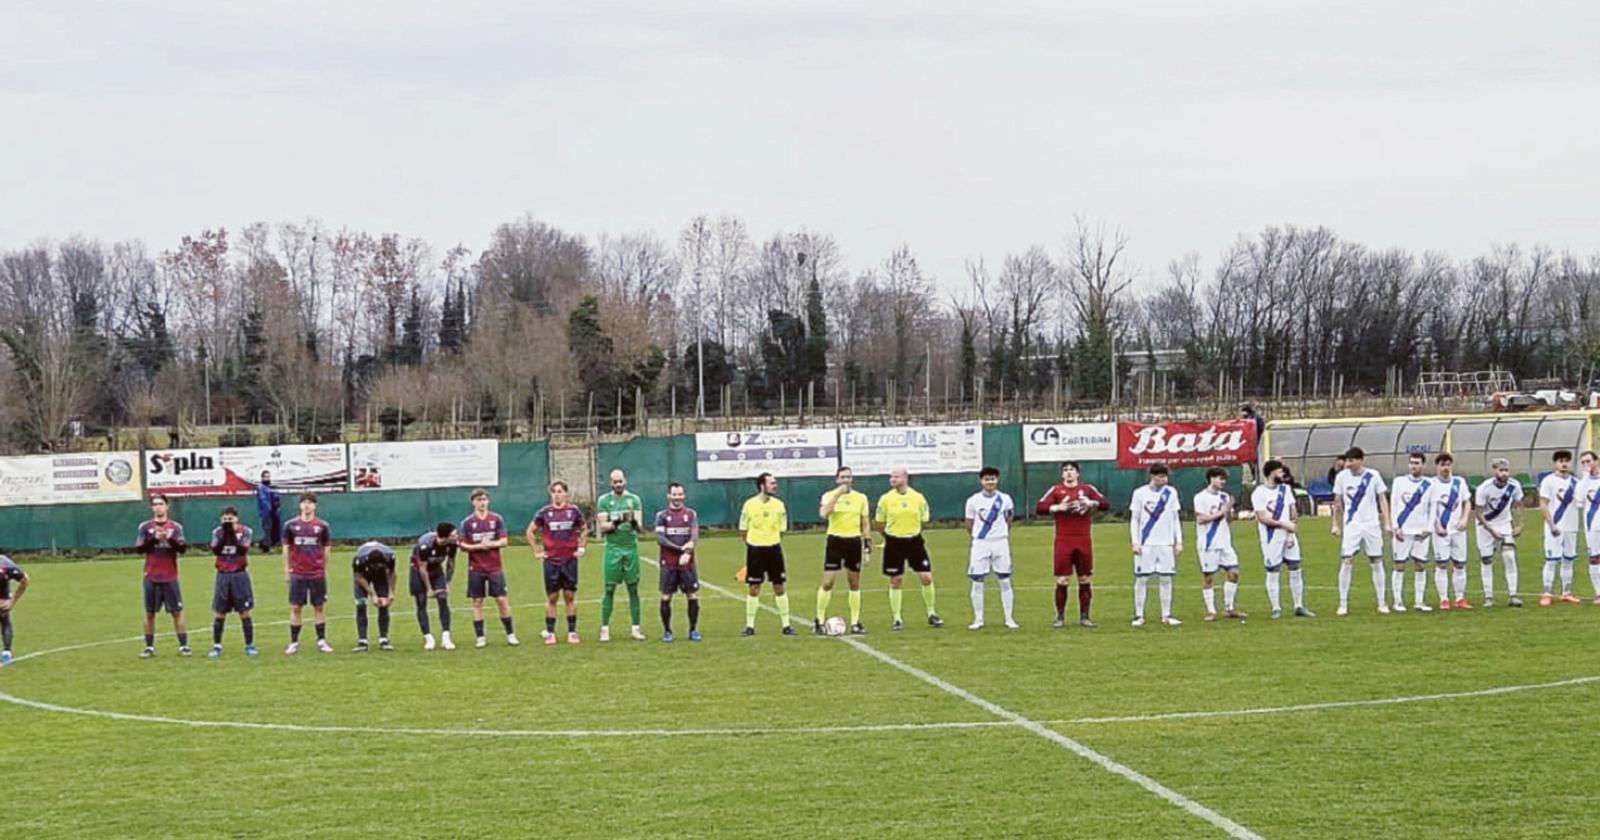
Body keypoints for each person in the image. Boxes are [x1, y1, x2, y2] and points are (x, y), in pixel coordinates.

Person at [1035, 461, 1109, 628]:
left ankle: (1085, 617)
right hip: (1063, 540)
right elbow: (1040, 507)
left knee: (1084, 578)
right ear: (1062, 475)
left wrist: (1091, 503)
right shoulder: (1056, 490)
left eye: (1072, 470)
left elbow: (1105, 504)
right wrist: (1058, 507)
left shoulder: (1087, 489)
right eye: (1066, 470)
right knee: (1062, 579)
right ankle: (1060, 617)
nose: (1069, 473)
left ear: (1078, 474)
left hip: (1083, 539)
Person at [874, 467, 942, 631]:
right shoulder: (885, 499)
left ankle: (932, 613)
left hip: (914, 542)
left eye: (896, 476)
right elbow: (879, 522)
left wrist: (912, 533)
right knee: (896, 580)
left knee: (926, 577)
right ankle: (897, 618)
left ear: (905, 478)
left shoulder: (918, 497)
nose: (892, 479)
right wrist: (889, 537)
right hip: (893, 542)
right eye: (891, 477)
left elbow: (923, 519)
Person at [1331, 447, 1393, 616]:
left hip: (1371, 524)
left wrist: (1387, 521)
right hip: (1352, 525)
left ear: (1359, 460)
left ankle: (1381, 602)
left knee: (1376, 560)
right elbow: (1337, 502)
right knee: (1347, 560)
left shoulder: (1373, 476)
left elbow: (1382, 499)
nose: (1348, 464)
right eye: (1347, 461)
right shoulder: (1341, 477)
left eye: (1351, 461)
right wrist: (1335, 524)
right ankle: (1343, 603)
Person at [1253, 459, 1313, 618]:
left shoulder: (1285, 489)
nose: (1283, 474)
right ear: (1271, 473)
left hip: (1288, 537)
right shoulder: (1259, 493)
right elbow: (1262, 518)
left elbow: (1293, 511)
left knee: (1295, 567)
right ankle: (1276, 607)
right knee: (1273, 571)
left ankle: (1299, 605)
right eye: (1279, 471)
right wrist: (1284, 525)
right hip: (1271, 538)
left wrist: (1291, 531)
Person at [530, 480, 586, 645]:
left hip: (569, 560)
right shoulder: (544, 513)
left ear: (566, 493)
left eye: (560, 491)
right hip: (551, 561)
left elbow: (584, 529)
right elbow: (530, 531)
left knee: (569, 596)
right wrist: (536, 551)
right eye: (554, 491)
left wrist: (581, 547)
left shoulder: (573, 511)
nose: (557, 494)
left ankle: (572, 632)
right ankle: (550, 633)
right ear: (551, 494)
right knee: (552, 597)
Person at [460, 488, 518, 648]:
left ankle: (510, 634)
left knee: (501, 599)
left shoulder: (496, 519)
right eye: (479, 500)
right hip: (476, 568)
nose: (482, 503)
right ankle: (480, 637)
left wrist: (490, 544)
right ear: (473, 502)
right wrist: (478, 547)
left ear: (488, 501)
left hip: (494, 567)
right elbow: (462, 544)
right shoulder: (467, 523)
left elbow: (504, 541)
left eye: (484, 499)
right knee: (477, 601)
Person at [817, 466, 871, 635]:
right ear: (837, 479)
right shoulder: (829, 495)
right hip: (835, 540)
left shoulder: (861, 498)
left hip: (853, 541)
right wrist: (837, 495)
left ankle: (855, 622)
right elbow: (824, 514)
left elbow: (865, 522)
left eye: (848, 477)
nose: (846, 480)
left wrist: (867, 545)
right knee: (827, 583)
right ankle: (819, 620)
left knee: (854, 583)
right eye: (843, 477)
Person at [739, 472, 793, 636]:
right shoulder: (749, 504)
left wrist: (772, 540)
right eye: (772, 483)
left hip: (774, 549)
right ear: (762, 485)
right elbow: (743, 529)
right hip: (755, 550)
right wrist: (753, 543)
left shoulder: (779, 505)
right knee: (754, 587)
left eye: (775, 483)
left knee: (779, 586)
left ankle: (786, 625)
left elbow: (783, 529)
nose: (775, 485)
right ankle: (750, 626)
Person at [964, 465, 1018, 630]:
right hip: (980, 543)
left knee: (1005, 579)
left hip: (1000, 542)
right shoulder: (973, 500)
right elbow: (969, 523)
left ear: (997, 480)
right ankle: (978, 619)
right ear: (981, 481)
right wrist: (980, 536)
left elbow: (1009, 518)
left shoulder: (1005, 499)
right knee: (978, 581)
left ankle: (1009, 618)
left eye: (993, 479)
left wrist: (1001, 534)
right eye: (987, 479)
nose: (990, 482)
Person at [136, 494, 191, 658]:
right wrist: (154, 539)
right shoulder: (145, 527)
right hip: (151, 575)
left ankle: (183, 646)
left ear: (167, 507)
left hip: (170, 576)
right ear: (152, 508)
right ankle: (149, 647)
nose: (158, 507)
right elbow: (139, 549)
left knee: (177, 612)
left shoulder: (175, 527)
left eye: (161, 504)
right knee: (149, 613)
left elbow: (182, 549)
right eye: (155, 504)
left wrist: (170, 538)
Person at [595, 469, 646, 643]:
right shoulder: (604, 501)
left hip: (630, 548)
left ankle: (636, 628)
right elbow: (603, 527)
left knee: (633, 588)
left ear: (625, 480)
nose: (618, 484)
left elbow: (640, 528)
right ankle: (604, 628)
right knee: (609, 589)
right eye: (615, 482)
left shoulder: (634, 500)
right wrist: (618, 520)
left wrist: (632, 521)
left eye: (620, 481)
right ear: (611, 483)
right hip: (613, 549)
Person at [1129, 464, 1183, 627]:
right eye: (1161, 477)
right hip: (1146, 543)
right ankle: (1139, 615)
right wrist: (1135, 542)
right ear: (1153, 476)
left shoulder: (1171, 493)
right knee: (1142, 578)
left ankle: (1166, 615)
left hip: (1165, 543)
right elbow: (1135, 519)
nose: (1164, 480)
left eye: (1166, 477)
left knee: (1166, 578)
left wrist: (1178, 541)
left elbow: (1175, 518)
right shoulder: (1140, 493)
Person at [282, 492, 333, 655]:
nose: (307, 505)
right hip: (298, 573)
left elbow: (326, 548)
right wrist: (286, 570)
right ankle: (294, 642)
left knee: (319, 607)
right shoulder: (290, 525)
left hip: (316, 573)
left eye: (310, 502)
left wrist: (323, 567)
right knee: (296, 607)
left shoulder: (322, 526)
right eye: (304, 502)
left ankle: (321, 640)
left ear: (315, 506)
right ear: (299, 505)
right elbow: (285, 548)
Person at [1193, 466, 1244, 622]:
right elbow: (1201, 519)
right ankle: (1211, 611)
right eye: (1220, 479)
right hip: (1208, 543)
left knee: (1234, 573)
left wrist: (1230, 513)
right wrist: (1222, 511)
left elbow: (1228, 519)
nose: (1223, 482)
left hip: (1224, 542)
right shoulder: (1200, 497)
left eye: (1224, 479)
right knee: (1209, 578)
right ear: (1212, 479)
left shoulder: (1225, 497)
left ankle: (1229, 607)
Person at [206, 507, 258, 658]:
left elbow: (243, 549)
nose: (228, 522)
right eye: (225, 519)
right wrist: (225, 534)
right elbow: (215, 549)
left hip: (239, 575)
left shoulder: (245, 531)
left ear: (237, 519)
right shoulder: (218, 532)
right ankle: (217, 646)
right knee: (220, 612)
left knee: (244, 612)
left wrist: (233, 535)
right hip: (223, 575)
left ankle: (249, 645)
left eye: (231, 519)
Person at [655, 483, 702, 642]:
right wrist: (681, 548)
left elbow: (694, 536)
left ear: (684, 495)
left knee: (692, 595)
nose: (677, 497)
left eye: (680, 494)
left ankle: (693, 630)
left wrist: (688, 551)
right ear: (669, 496)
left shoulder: (691, 514)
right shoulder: (661, 515)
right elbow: (661, 539)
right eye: (674, 494)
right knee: (666, 596)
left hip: (687, 563)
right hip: (668, 563)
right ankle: (667, 631)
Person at [1388, 452, 1435, 613]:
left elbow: (1432, 508)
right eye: (1412, 463)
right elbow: (1393, 504)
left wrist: (1428, 529)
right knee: (1399, 565)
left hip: (1420, 531)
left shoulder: (1430, 484)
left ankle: (1419, 601)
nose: (1414, 466)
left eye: (1417, 463)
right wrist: (1395, 527)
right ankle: (1397, 601)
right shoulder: (1399, 482)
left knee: (1420, 565)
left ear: (1423, 465)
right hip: (1402, 530)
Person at [1474, 458, 1524, 608]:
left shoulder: (1514, 486)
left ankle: (1513, 595)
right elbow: (1479, 512)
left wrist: (1520, 524)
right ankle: (1489, 596)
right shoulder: (1484, 488)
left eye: (1506, 470)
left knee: (1509, 557)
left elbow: (1519, 504)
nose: (1504, 473)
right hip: (1485, 526)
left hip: (1504, 524)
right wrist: (1491, 530)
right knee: (1487, 560)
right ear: (1494, 471)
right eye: (1501, 470)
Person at [1427, 453, 1472, 610]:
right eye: (1442, 465)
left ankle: (1460, 598)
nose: (1445, 468)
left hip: (1458, 530)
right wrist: (1437, 525)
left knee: (1460, 564)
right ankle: (1444, 599)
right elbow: (1430, 507)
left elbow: (1467, 502)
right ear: (1437, 467)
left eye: (1448, 465)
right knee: (1441, 564)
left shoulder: (1459, 482)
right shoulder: (1431, 484)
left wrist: (1465, 519)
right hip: (1441, 531)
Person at [1537, 449, 1580, 606]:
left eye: (1566, 461)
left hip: (1571, 526)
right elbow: (1543, 504)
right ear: (1555, 463)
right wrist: (1551, 525)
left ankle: (1566, 592)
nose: (1564, 464)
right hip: (1554, 526)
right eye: (1560, 461)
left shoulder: (1576, 483)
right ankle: (1547, 593)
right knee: (1551, 560)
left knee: (1568, 560)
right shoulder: (1548, 481)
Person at [411, 522, 458, 650]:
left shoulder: (453, 545)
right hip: (418, 570)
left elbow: (451, 563)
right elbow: (422, 567)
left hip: (437, 570)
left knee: (443, 598)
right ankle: (428, 638)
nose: (456, 536)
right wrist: (428, 589)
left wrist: (447, 582)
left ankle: (446, 637)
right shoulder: (425, 545)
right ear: (445, 536)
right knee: (421, 601)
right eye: (453, 534)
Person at [351, 541, 398, 652]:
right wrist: (372, 594)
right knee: (361, 604)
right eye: (375, 566)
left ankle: (384, 639)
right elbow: (359, 577)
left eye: (380, 566)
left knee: (383, 604)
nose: (377, 568)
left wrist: (391, 592)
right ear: (370, 564)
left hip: (381, 577)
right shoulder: (359, 559)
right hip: (363, 576)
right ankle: (362, 640)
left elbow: (392, 573)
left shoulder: (390, 556)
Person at [0, 553, 30, 666]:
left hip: (3, 593)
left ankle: (7, 652)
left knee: (3, 616)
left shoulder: (9, 568)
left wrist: (12, 601)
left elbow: (25, 580)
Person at [1580, 450, 1600, 604]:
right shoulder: (1584, 482)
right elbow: (1578, 500)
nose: (1586, 465)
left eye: (1588, 461)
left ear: (1596, 461)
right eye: (1583, 463)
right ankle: (1598, 593)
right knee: (1594, 558)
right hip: (1591, 524)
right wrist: (1586, 476)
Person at [255, 471, 281, 553]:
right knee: (268, 530)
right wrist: (268, 510)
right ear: (262, 478)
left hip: (273, 512)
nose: (267, 478)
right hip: (266, 513)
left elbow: (276, 499)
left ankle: (261, 545)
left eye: (268, 477)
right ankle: (267, 548)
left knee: (272, 530)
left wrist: (276, 505)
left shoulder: (270, 488)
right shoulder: (261, 487)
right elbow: (263, 501)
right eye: (266, 477)